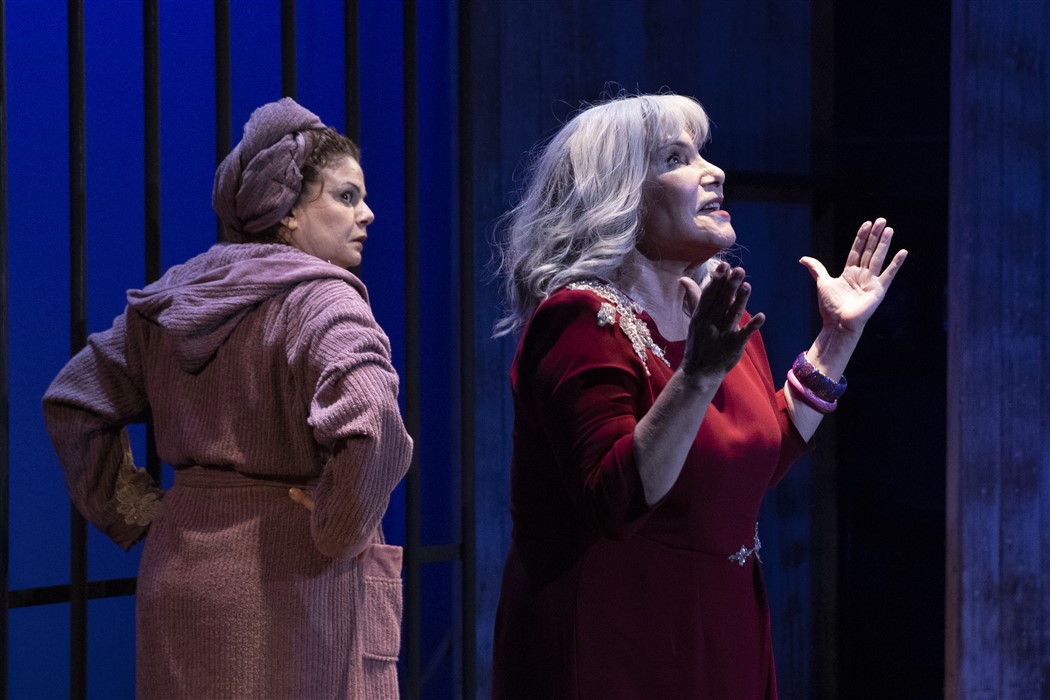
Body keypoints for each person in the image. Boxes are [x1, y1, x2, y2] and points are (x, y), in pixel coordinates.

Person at [490, 93, 907, 699]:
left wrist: (837, 339)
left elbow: (750, 461)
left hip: (722, 634)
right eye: (675, 158)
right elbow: (615, 500)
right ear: (619, 195)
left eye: (703, 153)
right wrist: (697, 377)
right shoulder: (580, 318)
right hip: (618, 646)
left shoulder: (717, 314)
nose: (714, 171)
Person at [43, 98, 412, 699]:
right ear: (287, 212)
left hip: (181, 577)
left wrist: (136, 509)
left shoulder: (173, 299)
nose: (367, 213)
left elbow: (73, 399)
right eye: (346, 197)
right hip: (292, 584)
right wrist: (340, 528)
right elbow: (374, 423)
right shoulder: (324, 302)